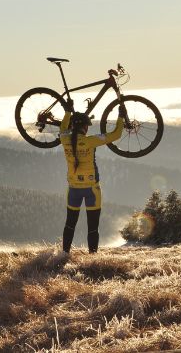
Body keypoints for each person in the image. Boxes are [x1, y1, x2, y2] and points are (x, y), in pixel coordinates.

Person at [59, 101, 125, 253]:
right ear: (84, 127)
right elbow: (116, 134)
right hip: (92, 190)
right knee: (93, 227)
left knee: (70, 224)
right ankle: (93, 258)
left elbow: (63, 127)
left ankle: (64, 255)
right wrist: (120, 117)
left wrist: (67, 112)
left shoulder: (64, 139)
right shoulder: (90, 141)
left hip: (73, 189)